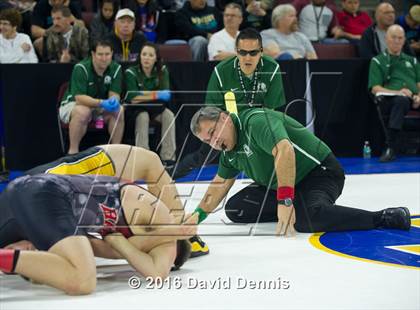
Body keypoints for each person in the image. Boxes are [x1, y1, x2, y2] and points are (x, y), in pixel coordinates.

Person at [186, 106, 412, 235]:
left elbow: (284, 151)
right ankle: (294, 207)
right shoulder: (229, 151)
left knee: (306, 220)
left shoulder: (255, 122)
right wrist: (196, 217)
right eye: (207, 140)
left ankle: (382, 217)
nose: (214, 142)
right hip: (284, 183)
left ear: (225, 118)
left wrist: (285, 201)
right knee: (236, 210)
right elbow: (219, 185)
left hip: (319, 172)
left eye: (214, 132)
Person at [0, 173, 196, 295]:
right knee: (83, 280)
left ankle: (10, 256)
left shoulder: (120, 241)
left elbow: (107, 247)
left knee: (56, 269)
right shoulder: (163, 224)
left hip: (30, 191)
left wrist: (119, 244)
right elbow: (156, 273)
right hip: (48, 194)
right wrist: (174, 232)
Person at [18, 144, 207, 257]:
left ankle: (180, 233)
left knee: (150, 162)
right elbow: (113, 251)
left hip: (54, 185)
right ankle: (182, 234)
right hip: (53, 187)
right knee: (150, 162)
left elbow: (112, 250)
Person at [170, 28, 286, 179]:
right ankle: (169, 175)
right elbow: (213, 110)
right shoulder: (221, 71)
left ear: (261, 51)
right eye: (243, 52)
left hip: (258, 121)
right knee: (203, 156)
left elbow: (271, 109)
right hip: (227, 124)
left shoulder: (272, 68)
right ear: (236, 51)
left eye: (253, 52)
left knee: (278, 144)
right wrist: (230, 129)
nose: (248, 58)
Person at [59, 39, 125, 155]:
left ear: (112, 54)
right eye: (100, 54)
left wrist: (113, 101)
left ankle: (115, 153)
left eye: (107, 54)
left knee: (119, 110)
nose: (104, 58)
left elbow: (114, 93)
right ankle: (72, 153)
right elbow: (79, 98)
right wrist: (102, 103)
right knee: (83, 112)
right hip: (73, 105)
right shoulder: (81, 68)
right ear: (93, 54)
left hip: (99, 105)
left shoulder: (116, 68)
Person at [368, 25, 420, 163]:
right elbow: (375, 88)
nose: (397, 41)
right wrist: (399, 92)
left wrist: (418, 96)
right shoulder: (378, 61)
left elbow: (419, 83)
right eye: (393, 37)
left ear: (404, 40)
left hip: (414, 97)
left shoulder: (412, 60)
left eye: (400, 38)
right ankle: (390, 147)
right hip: (392, 99)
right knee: (400, 101)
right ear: (386, 39)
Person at [124, 43, 176, 165]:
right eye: (144, 54)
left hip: (155, 108)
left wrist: (143, 94)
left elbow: (166, 94)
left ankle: (168, 158)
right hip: (136, 109)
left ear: (156, 58)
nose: (146, 58)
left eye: (150, 55)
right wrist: (156, 94)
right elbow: (133, 98)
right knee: (143, 117)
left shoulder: (162, 70)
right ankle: (143, 158)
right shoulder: (131, 72)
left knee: (169, 115)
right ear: (140, 56)